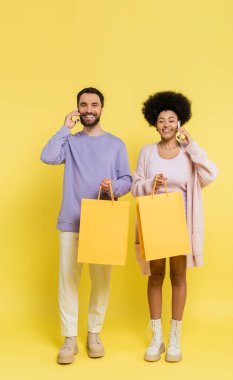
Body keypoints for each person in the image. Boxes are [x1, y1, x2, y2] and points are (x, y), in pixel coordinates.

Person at [41, 87, 132, 364]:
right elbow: (47, 156)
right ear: (78, 109)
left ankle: (94, 333)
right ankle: (70, 338)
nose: (89, 109)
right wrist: (64, 128)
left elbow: (127, 179)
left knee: (101, 281)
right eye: (83, 105)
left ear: (102, 108)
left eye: (94, 104)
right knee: (68, 280)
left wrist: (112, 185)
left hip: (103, 221)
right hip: (71, 220)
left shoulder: (116, 144)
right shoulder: (70, 141)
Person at [131, 91, 218, 363]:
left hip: (181, 222)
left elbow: (211, 174)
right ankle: (157, 338)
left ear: (180, 122)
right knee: (156, 276)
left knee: (178, 277)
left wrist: (193, 146)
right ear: (154, 124)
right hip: (154, 221)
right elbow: (135, 188)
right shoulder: (146, 152)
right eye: (161, 120)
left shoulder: (188, 153)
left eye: (171, 119)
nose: (166, 124)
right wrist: (150, 185)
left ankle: (175, 339)